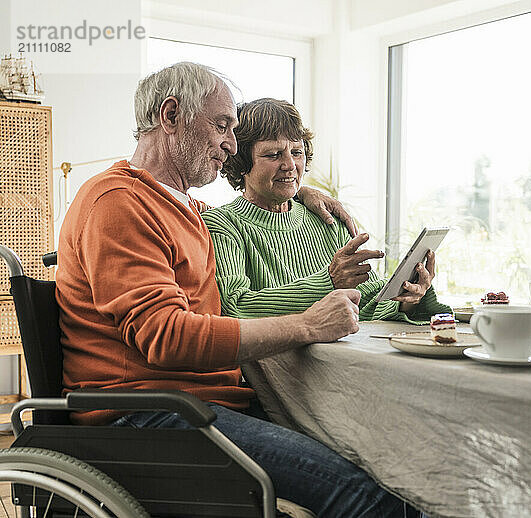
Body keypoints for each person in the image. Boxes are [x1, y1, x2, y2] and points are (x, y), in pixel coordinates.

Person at [55, 62, 424, 517]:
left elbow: (254, 215)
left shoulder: (184, 208)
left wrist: (297, 191)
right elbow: (167, 337)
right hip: (150, 415)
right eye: (222, 126)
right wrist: (307, 325)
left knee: (400, 466)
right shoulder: (118, 204)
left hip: (203, 404)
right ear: (171, 117)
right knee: (369, 497)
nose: (230, 145)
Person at [202, 98, 451, 322]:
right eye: (273, 154)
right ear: (241, 162)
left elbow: (367, 304)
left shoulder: (326, 218)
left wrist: (407, 297)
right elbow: (235, 307)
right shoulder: (222, 225)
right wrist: (328, 283)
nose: (290, 165)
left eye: (297, 152)